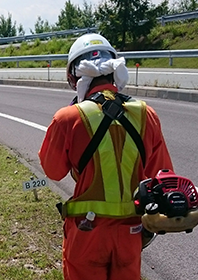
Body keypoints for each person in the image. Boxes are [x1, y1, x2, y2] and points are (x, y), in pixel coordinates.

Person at [38, 33, 174, 280]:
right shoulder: (146, 115)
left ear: (73, 77)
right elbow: (162, 174)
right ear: (114, 72)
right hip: (131, 232)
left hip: (86, 231)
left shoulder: (67, 118)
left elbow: (53, 170)